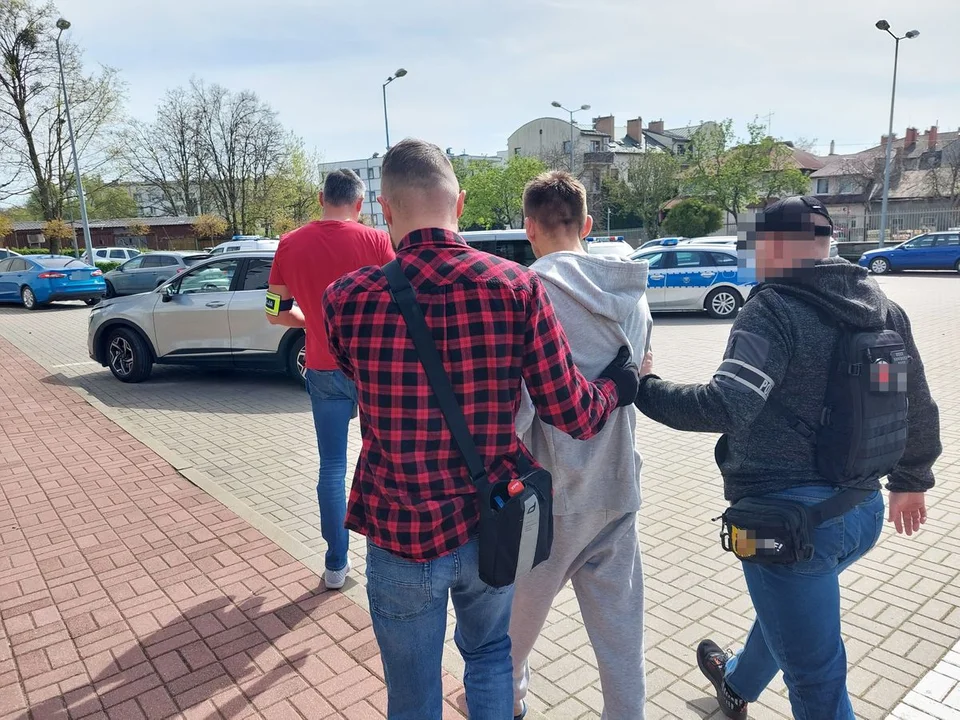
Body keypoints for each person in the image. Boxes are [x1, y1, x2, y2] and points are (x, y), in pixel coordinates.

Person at [321, 138, 640, 720]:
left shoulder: (347, 299)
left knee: (411, 689)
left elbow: (348, 371)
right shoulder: (518, 288)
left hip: (400, 529)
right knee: (492, 655)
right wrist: (620, 385)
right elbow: (572, 413)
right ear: (461, 203)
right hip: (489, 522)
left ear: (384, 210)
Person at [634, 195, 942, 719]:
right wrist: (911, 480)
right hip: (860, 513)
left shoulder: (772, 308)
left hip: (784, 527)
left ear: (775, 246)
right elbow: (915, 400)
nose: (750, 256)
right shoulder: (883, 307)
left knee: (816, 676)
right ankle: (736, 683)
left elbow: (726, 405)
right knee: (790, 609)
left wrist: (646, 387)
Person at [510, 171, 653, 720]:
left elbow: (521, 409)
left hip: (548, 500)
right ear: (587, 224)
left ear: (530, 228)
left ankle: (507, 702)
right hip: (617, 487)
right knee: (622, 639)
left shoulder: (529, 293)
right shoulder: (633, 295)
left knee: (510, 636)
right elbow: (639, 376)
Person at [266, 168, 395, 590]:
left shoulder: (289, 243)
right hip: (373, 369)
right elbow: (400, 300)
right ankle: (384, 558)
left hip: (323, 367)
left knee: (332, 467)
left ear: (321, 198)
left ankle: (336, 564)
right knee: (382, 461)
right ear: (359, 203)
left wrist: (311, 321)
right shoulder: (376, 241)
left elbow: (274, 312)